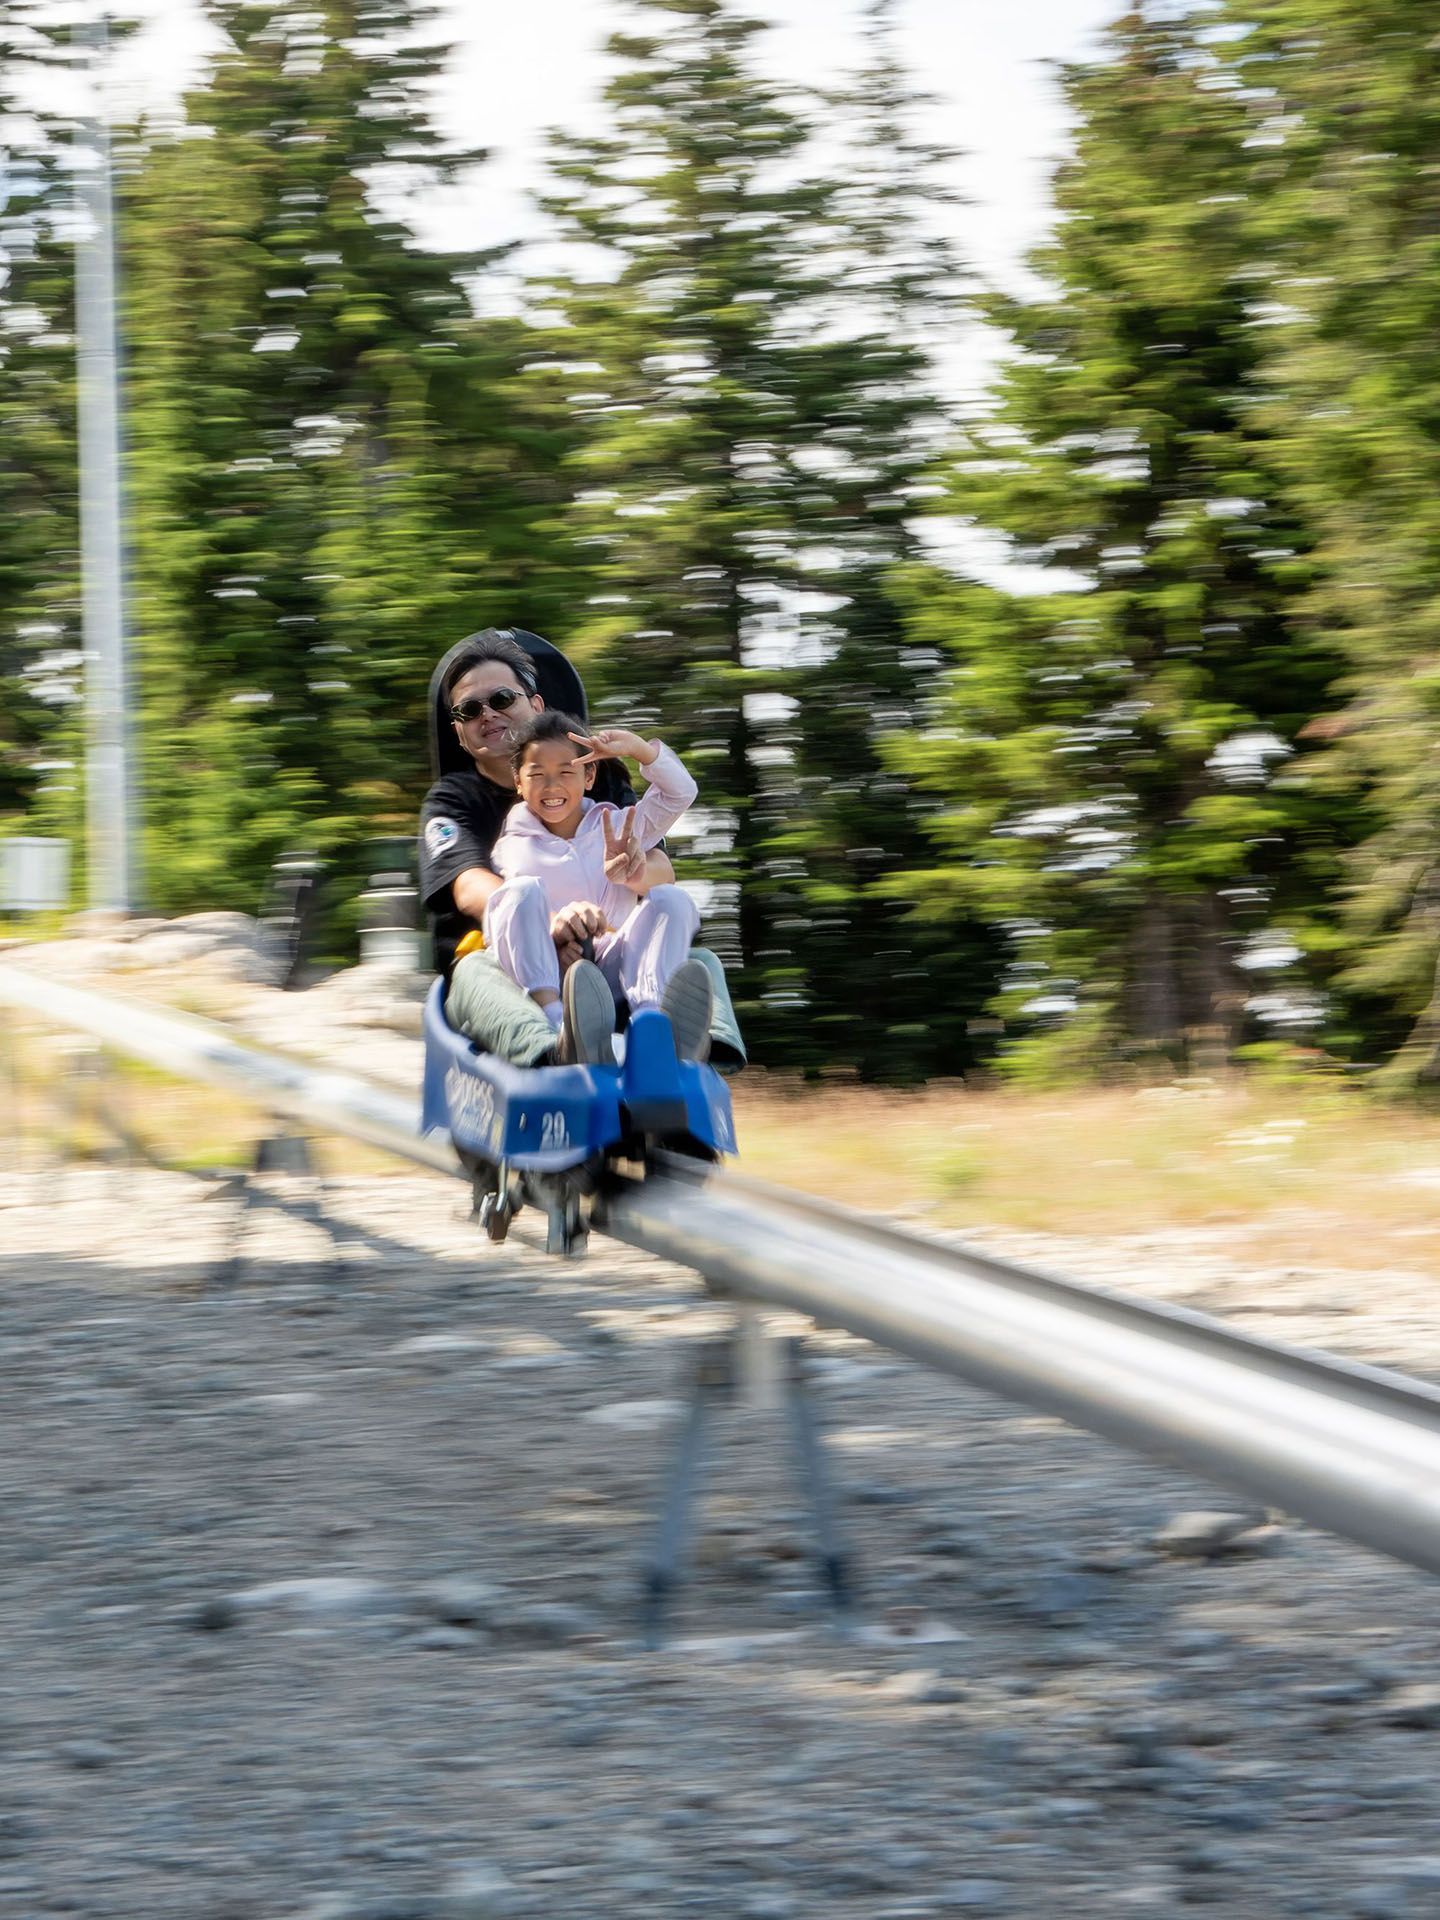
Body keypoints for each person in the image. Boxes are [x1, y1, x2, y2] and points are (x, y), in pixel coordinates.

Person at [418, 627, 746, 1070]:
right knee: (475, 972)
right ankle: (556, 1048)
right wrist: (547, 925)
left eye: (501, 700)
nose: (488, 716)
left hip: (610, 950)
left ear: (535, 706)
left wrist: (629, 874)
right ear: (459, 732)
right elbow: (468, 885)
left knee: (697, 959)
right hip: (506, 963)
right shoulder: (453, 799)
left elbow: (659, 868)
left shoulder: (602, 780)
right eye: (469, 710)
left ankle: (692, 1055)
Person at [484, 708, 714, 1059]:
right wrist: (556, 933)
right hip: (553, 969)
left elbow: (680, 792)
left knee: (671, 900)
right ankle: (557, 1023)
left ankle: (652, 1022)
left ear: (589, 774)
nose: (552, 787)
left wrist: (639, 749)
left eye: (566, 772)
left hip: (616, 964)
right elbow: (513, 924)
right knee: (517, 893)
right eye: (537, 774)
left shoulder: (619, 824)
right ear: (518, 780)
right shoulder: (513, 844)